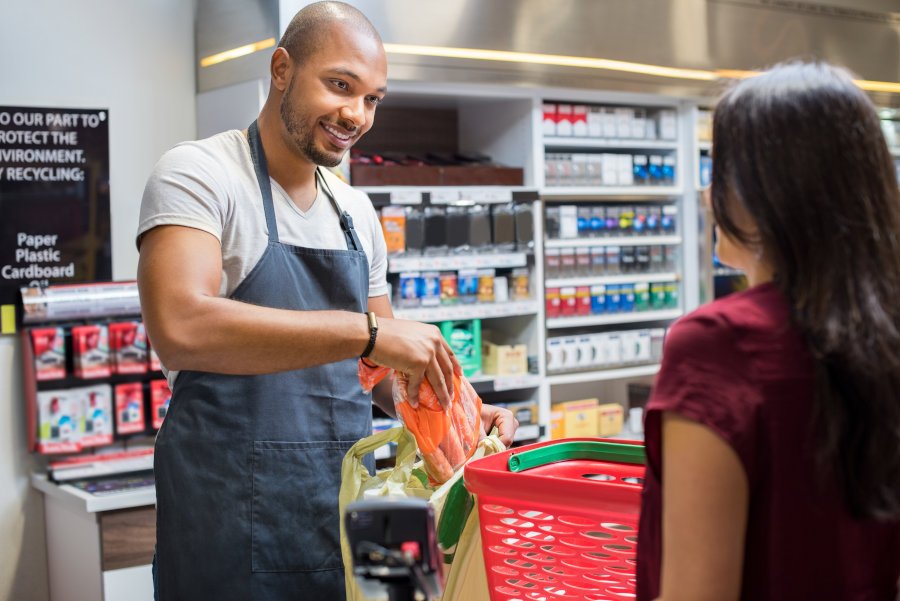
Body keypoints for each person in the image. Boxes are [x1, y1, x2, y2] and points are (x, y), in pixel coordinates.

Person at [136, 3, 517, 599]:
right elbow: (180, 325)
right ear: (281, 69)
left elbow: (390, 379)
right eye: (340, 85)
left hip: (361, 513)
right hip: (232, 524)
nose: (356, 115)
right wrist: (366, 333)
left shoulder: (355, 212)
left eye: (372, 99)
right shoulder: (200, 174)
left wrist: (459, 413)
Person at [636, 61, 900, 601]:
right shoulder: (886, 330)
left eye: (718, 173)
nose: (709, 197)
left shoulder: (719, 344)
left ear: (761, 194)